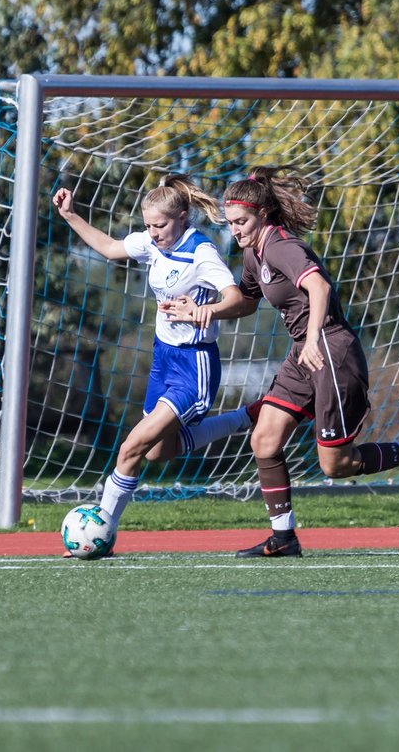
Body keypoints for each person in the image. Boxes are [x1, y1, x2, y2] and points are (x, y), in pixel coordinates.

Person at [162, 165, 399, 558]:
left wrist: (314, 337)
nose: (235, 229)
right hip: (304, 353)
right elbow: (246, 303)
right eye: (230, 222)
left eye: (241, 221)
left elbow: (319, 285)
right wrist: (203, 309)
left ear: (263, 214)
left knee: (337, 464)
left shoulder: (282, 245)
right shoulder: (253, 253)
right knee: (264, 439)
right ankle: (284, 538)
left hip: (331, 352)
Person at [52, 174, 257, 548]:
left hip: (194, 367)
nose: (153, 232)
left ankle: (102, 532)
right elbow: (113, 248)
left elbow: (240, 300)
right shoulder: (151, 243)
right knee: (159, 451)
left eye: (159, 225)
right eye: (148, 225)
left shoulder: (201, 253)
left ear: (183, 217)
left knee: (131, 447)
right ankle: (244, 417)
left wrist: (202, 310)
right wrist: (70, 216)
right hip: (163, 358)